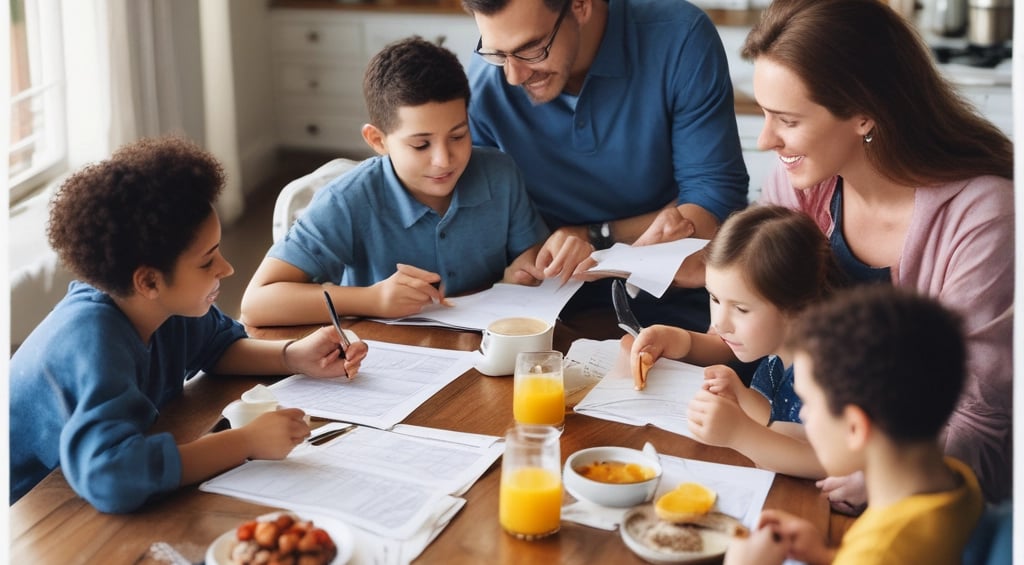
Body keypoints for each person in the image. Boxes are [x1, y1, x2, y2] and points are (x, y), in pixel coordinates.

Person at [741, 0, 1013, 506]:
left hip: (928, 497)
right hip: (805, 449)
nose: (765, 140)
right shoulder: (800, 180)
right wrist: (692, 344)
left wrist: (890, 476)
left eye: (787, 119)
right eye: (763, 113)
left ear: (864, 114)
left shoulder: (983, 214)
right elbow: (764, 306)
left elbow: (979, 418)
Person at [8, 137, 369, 512]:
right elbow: (112, 477)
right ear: (148, 281)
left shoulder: (163, 306)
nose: (227, 269)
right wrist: (245, 442)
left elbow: (219, 347)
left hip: (80, 485)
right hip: (31, 512)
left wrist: (294, 356)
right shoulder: (93, 343)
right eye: (206, 261)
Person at [240, 37, 591, 326]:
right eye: (420, 144)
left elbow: (529, 258)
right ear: (377, 140)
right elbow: (256, 303)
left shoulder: (499, 175)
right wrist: (373, 299)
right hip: (383, 365)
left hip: (479, 354)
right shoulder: (347, 201)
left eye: (458, 135)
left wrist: (536, 264)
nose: (444, 159)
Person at [462, 0, 749, 332]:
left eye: (531, 49)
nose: (514, 76)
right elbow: (486, 225)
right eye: (497, 54)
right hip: (548, 302)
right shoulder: (485, 83)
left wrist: (594, 236)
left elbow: (715, 202)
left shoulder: (679, 37)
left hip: (673, 297)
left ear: (581, 6)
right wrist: (514, 263)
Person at [725, 285, 984, 565]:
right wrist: (827, 556)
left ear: (855, 429)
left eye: (808, 403)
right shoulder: (955, 481)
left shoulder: (878, 553)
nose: (804, 417)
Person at [625, 205, 843, 477]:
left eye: (741, 309)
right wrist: (740, 394)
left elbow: (823, 461)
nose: (719, 323)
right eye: (714, 298)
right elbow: (778, 419)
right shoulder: (779, 353)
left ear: (798, 307)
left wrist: (739, 434)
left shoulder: (820, 370)